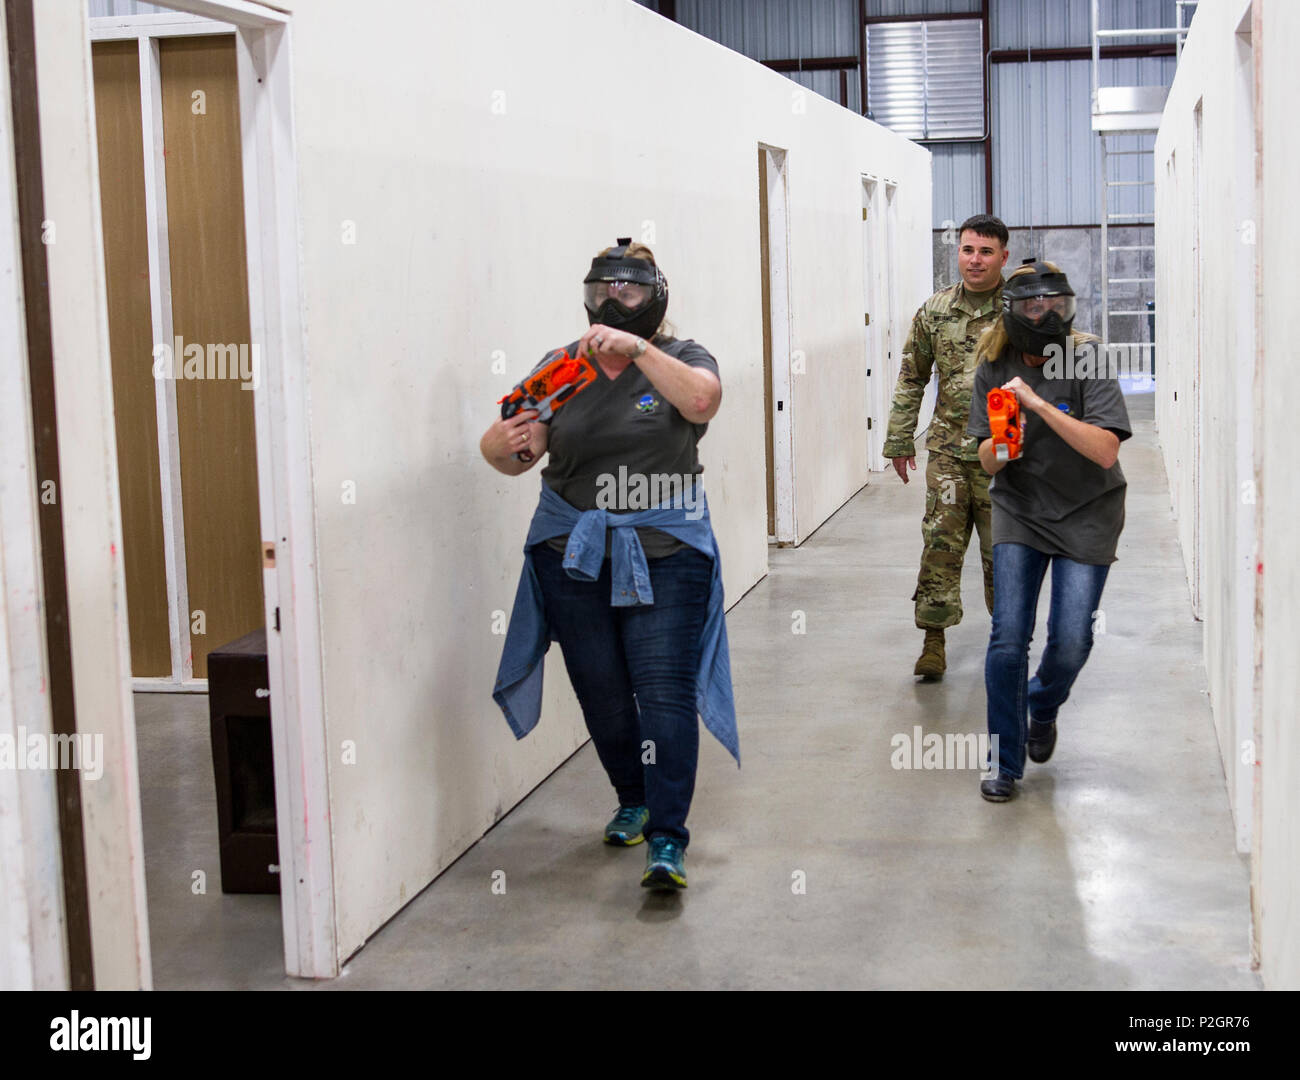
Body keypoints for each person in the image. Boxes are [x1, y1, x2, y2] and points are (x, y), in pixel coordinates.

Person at [484, 238, 736, 890]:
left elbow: (702, 402)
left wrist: (641, 352)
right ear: (589, 295)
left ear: (656, 297)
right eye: (604, 291)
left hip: (667, 551)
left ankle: (667, 841)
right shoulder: (563, 366)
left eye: (629, 290)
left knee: (663, 694)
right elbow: (521, 447)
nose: (615, 301)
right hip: (572, 553)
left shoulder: (680, 357)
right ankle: (633, 794)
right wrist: (498, 443)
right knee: (602, 691)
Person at [966, 260, 1132, 802]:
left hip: (1088, 511)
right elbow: (990, 462)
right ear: (1014, 314)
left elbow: (1105, 450)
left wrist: (1037, 404)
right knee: (1008, 636)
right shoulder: (994, 364)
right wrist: (1002, 441)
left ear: (1067, 306)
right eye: (1033, 306)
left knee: (1070, 640)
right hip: (1022, 508)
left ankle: (1043, 703)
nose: (1044, 313)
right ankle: (1004, 763)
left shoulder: (1087, 358)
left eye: (1053, 304)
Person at [883, 214, 1010, 680]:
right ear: (957, 252)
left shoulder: (1019, 310)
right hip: (948, 453)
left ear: (1003, 257)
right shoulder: (935, 310)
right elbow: (912, 376)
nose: (974, 260)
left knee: (1005, 551)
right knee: (940, 545)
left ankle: (1008, 642)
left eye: (985, 252)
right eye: (967, 250)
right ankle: (933, 641)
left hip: (1002, 455)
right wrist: (899, 437)